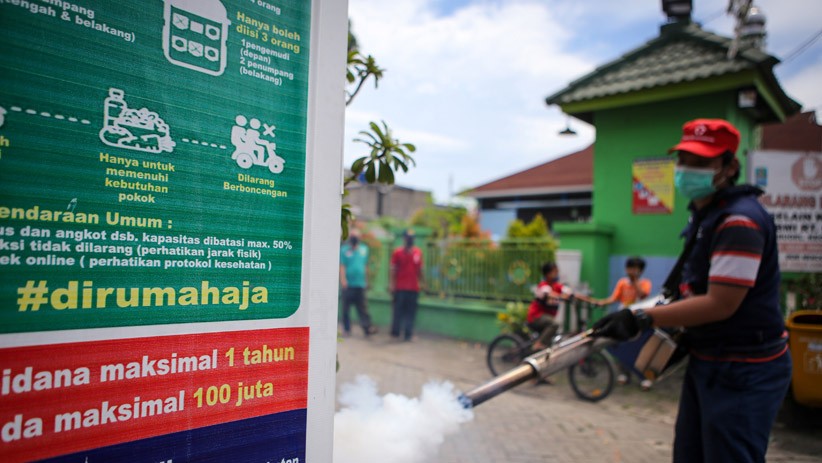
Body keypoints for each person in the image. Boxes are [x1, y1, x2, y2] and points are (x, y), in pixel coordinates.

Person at [593, 118, 791, 463]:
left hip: (744, 367)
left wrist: (642, 316)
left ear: (729, 167)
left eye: (701, 163)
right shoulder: (706, 215)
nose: (687, 170)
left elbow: (720, 304)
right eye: (683, 160)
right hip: (710, 360)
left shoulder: (739, 222)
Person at [597, 256, 653, 387]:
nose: (633, 271)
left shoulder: (645, 283)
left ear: (641, 270)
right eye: (630, 268)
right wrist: (600, 302)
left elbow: (643, 295)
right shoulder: (622, 283)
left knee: (639, 347)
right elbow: (614, 298)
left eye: (636, 268)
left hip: (638, 319)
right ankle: (624, 374)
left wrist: (635, 281)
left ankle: (643, 377)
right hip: (623, 319)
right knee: (620, 345)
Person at [528, 262, 597, 351]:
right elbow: (549, 294)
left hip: (548, 318)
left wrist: (593, 301)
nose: (557, 274)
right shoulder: (543, 286)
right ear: (548, 274)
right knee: (555, 324)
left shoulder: (557, 286)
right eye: (555, 272)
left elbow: (572, 294)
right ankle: (539, 343)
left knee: (553, 335)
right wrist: (562, 296)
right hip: (536, 317)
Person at [339, 230, 377, 337]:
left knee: (362, 308)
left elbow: (365, 266)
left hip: (360, 284)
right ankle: (347, 329)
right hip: (348, 284)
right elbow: (342, 266)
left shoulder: (364, 249)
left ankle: (367, 328)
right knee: (346, 309)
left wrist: (365, 280)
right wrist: (343, 280)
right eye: (353, 236)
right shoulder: (344, 250)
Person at [389, 229, 423, 341]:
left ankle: (408, 334)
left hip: (413, 288)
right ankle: (395, 332)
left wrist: (422, 283)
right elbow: (393, 269)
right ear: (404, 239)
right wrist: (392, 284)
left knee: (410, 313)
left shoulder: (418, 252)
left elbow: (420, 270)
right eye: (408, 238)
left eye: (412, 238)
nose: (410, 240)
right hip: (400, 288)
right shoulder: (397, 252)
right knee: (398, 311)